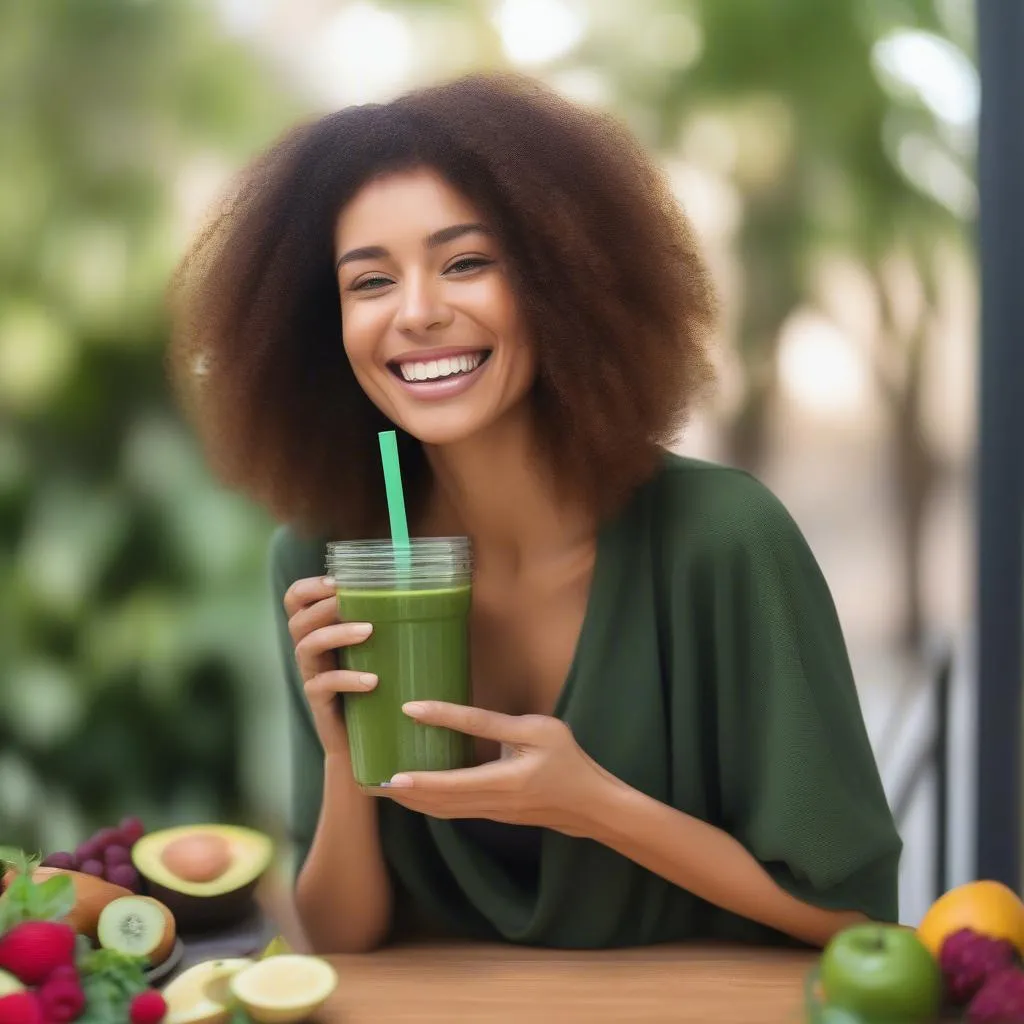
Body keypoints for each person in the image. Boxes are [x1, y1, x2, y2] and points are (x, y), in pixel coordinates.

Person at [167, 71, 902, 955]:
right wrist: (341, 762)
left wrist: (597, 808)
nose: (419, 312)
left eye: (467, 263)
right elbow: (340, 939)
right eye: (369, 282)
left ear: (562, 280)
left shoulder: (723, 539)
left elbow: (859, 920)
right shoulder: (327, 557)